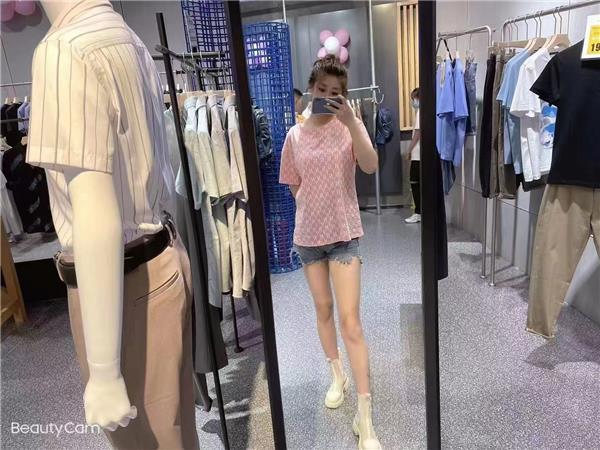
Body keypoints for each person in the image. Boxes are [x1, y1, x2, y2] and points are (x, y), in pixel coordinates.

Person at [279, 55, 381, 450]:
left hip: (343, 236)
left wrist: (353, 122)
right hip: (308, 238)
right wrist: (312, 208)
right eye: (321, 89)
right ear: (310, 88)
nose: (326, 96)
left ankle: (365, 417)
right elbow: (293, 183)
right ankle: (337, 376)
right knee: (322, 310)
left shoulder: (347, 128)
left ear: (344, 95)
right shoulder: (293, 136)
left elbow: (370, 166)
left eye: (335, 92)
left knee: (351, 321)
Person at [405, 87, 421, 224]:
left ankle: (418, 213)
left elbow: (417, 133)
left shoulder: (421, 112)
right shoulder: (422, 112)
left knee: (415, 183)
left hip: (418, 156)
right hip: (418, 155)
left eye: (413, 99)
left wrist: (409, 150)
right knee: (417, 184)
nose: (412, 102)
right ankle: (419, 211)